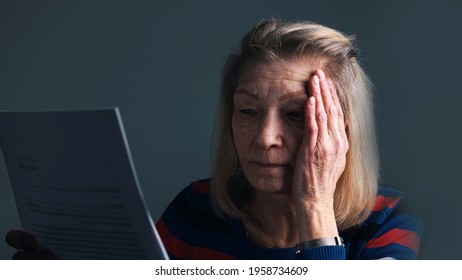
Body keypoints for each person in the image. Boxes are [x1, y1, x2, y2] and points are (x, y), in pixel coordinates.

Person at [6, 18, 423, 260]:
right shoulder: (194, 209)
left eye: (297, 115)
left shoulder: (393, 224)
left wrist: (313, 205)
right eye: (248, 112)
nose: (265, 139)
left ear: (342, 128)